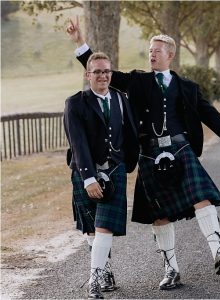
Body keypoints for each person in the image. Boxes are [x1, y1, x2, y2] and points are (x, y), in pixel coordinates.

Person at [67, 18, 220, 290]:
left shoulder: (187, 87)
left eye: (157, 51)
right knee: (159, 215)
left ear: (170, 55)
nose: (151, 54)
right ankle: (171, 270)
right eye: (150, 50)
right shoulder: (137, 81)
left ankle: (218, 250)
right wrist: (80, 43)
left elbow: (208, 112)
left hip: (181, 149)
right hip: (149, 154)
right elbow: (100, 70)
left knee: (202, 196)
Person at [64, 51, 139, 299]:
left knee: (104, 226)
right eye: (97, 72)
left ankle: (94, 281)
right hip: (85, 170)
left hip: (115, 169)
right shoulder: (75, 103)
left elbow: (130, 132)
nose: (103, 76)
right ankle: (104, 271)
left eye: (106, 71)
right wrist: (89, 178)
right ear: (88, 75)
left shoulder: (120, 98)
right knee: (92, 230)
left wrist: (128, 162)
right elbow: (78, 142)